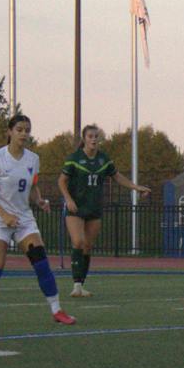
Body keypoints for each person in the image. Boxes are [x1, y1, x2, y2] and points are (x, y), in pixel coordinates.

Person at [0, 114, 75, 325]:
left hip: (24, 219)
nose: (24, 134)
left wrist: (39, 200)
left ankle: (57, 310)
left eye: (27, 130)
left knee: (41, 262)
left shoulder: (33, 159)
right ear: (9, 132)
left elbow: (32, 186)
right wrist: (4, 215)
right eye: (19, 129)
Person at [56, 124, 151, 298]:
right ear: (84, 138)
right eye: (90, 136)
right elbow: (61, 181)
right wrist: (68, 199)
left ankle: (81, 285)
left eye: (96, 136)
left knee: (87, 246)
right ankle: (76, 285)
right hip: (76, 207)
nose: (93, 139)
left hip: (94, 207)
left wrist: (136, 187)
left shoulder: (103, 159)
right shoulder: (74, 158)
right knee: (78, 242)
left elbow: (117, 176)